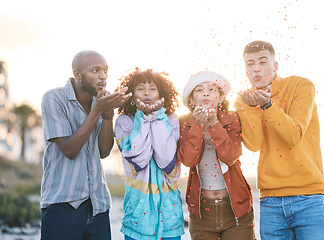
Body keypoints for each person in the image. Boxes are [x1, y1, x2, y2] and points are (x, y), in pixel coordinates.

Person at [235, 40, 324, 239]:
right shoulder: (244, 100)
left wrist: (268, 106)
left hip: (309, 196)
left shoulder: (300, 86)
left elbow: (294, 135)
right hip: (271, 201)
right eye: (250, 64)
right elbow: (253, 145)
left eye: (262, 62)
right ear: (245, 70)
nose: (256, 69)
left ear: (275, 66)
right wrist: (252, 108)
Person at [40, 50, 132, 240]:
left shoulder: (99, 102)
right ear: (78, 74)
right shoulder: (54, 99)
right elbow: (69, 149)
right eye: (96, 70)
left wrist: (107, 114)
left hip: (98, 204)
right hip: (63, 204)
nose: (103, 76)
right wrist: (97, 110)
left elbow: (104, 151)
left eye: (105, 71)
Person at [177, 71, 255, 240]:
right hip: (201, 211)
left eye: (212, 89)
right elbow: (188, 159)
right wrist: (198, 125)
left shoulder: (232, 118)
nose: (206, 93)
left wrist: (214, 123)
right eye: (199, 90)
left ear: (220, 98)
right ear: (191, 100)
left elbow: (230, 156)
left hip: (235, 208)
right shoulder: (184, 122)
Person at [114, 68, 185, 240]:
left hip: (169, 213)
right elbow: (139, 159)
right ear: (131, 94)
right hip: (138, 214)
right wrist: (143, 118)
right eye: (140, 89)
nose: (147, 93)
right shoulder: (124, 122)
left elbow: (166, 160)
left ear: (162, 93)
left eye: (152, 89)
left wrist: (158, 117)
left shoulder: (172, 119)